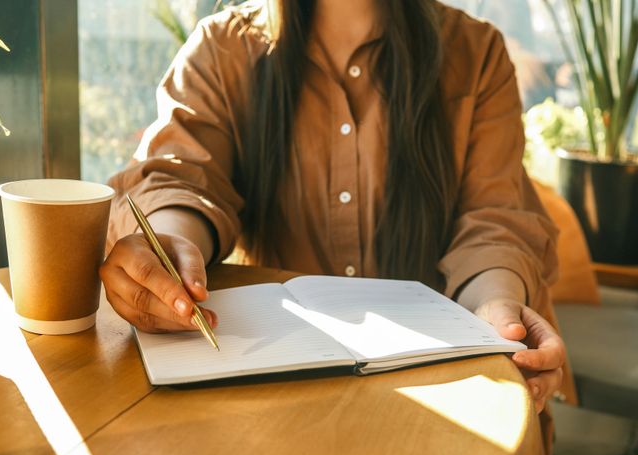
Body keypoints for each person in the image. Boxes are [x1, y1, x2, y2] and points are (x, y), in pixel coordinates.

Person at [100, 0, 565, 420]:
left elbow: (495, 222)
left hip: (446, 387)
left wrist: (495, 311)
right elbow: (179, 179)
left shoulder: (476, 53)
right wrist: (168, 251)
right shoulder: (222, 49)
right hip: (272, 403)